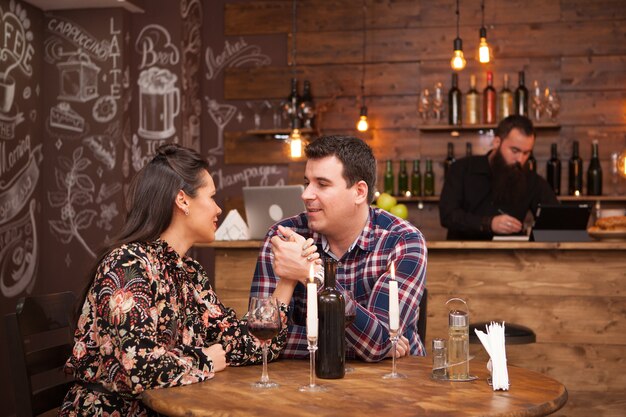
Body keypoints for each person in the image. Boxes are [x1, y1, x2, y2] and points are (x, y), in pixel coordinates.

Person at [59, 144, 298, 417]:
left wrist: (288, 279)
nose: (218, 208)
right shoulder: (128, 265)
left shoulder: (189, 273)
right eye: (211, 197)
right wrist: (204, 359)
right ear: (182, 200)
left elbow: (250, 346)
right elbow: (137, 366)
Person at [249, 135, 427, 362]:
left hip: (394, 383)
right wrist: (358, 346)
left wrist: (311, 274)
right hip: (303, 386)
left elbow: (379, 341)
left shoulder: (403, 241)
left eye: (322, 184)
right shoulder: (284, 237)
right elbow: (259, 339)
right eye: (307, 183)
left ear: (359, 192)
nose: (305, 195)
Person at [439, 115, 558, 240]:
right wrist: (489, 223)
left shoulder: (532, 180)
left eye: (526, 153)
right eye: (515, 150)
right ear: (497, 142)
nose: (520, 159)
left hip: (512, 257)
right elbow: (448, 215)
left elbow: (555, 218)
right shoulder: (462, 169)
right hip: (462, 256)